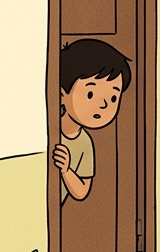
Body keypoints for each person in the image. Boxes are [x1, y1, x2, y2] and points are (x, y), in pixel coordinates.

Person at [53, 39, 131, 203]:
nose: (103, 105)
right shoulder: (47, 128)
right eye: (90, 94)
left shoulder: (84, 143)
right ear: (62, 94)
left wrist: (66, 170)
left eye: (113, 97)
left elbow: (81, 191)